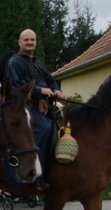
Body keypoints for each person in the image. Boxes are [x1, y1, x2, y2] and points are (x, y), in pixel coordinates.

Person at [5, 29, 66, 184]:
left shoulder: (39, 64)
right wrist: (40, 90)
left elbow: (51, 81)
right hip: (27, 108)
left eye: (32, 40)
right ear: (19, 42)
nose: (30, 43)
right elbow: (16, 87)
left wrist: (57, 91)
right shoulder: (14, 62)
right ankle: (33, 175)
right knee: (44, 129)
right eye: (26, 40)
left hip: (46, 108)